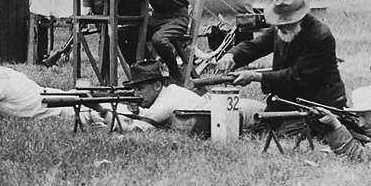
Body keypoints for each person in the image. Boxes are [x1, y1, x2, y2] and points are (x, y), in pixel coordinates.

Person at [214, 0, 347, 108]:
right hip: (289, 98)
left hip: (320, 103)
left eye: (285, 22)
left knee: (288, 132)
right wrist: (231, 55)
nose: (279, 27)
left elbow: (297, 77)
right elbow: (256, 46)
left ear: (300, 18)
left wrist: (256, 76)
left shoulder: (320, 36)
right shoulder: (282, 28)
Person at [106, 61, 263, 132]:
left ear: (157, 86)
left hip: (248, 114)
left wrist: (100, 109)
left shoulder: (166, 101)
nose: (137, 94)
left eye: (140, 89)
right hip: (238, 111)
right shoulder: (170, 92)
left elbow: (138, 128)